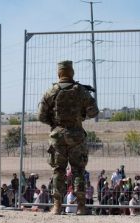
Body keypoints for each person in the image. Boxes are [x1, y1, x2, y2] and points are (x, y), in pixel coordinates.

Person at [38, 60, 99, 215]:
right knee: (78, 170)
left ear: (59, 73)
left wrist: (55, 123)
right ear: (72, 73)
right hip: (76, 136)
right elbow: (94, 111)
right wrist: (82, 115)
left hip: (57, 137)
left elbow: (41, 116)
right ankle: (80, 207)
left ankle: (57, 206)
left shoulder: (50, 92)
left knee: (58, 170)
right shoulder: (81, 91)